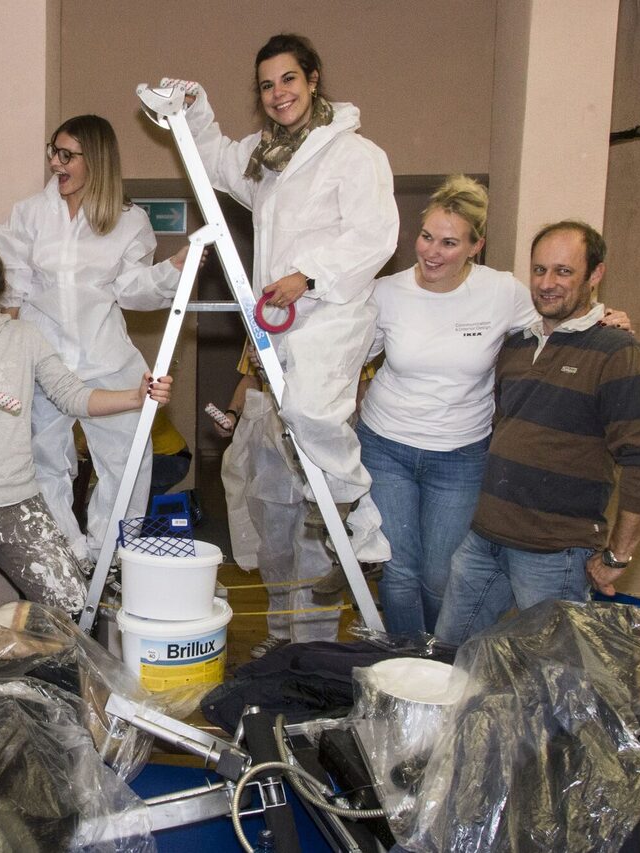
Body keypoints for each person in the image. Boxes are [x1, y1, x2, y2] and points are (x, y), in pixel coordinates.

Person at [359, 177, 631, 637]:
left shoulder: (502, 292)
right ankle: (405, 663)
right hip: (386, 446)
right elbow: (349, 355)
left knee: (440, 575)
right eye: (427, 237)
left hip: (462, 454)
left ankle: (438, 657)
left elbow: (559, 321)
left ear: (475, 246)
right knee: (399, 570)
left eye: (449, 242)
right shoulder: (386, 293)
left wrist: (605, 319)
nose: (432, 252)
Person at [172, 33, 399, 560]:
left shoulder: (356, 154)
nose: (278, 93)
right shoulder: (266, 159)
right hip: (282, 320)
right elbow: (215, 163)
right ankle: (344, 513)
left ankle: (358, 512)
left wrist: (309, 276)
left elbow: (375, 236)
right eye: (267, 85)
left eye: (289, 79)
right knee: (293, 420)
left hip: (332, 310)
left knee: (312, 413)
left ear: (313, 78)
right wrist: (194, 108)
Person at [0, 218, 173, 630]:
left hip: (20, 503)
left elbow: (73, 395)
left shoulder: (25, 337)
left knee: (74, 611)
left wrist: (136, 397)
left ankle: (58, 694)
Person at [434, 221, 640, 645]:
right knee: (451, 659)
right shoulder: (517, 344)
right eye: (539, 270)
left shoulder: (620, 353)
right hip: (485, 538)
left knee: (557, 682)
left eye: (563, 271)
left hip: (555, 554)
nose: (546, 283)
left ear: (595, 275)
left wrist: (618, 555)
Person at [0, 114, 187, 565]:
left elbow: (133, 290)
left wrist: (171, 270)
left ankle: (113, 558)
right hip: (45, 360)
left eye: (67, 156)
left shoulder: (128, 219)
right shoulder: (29, 214)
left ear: (95, 160)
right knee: (43, 462)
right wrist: (4, 361)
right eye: (53, 152)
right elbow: (13, 292)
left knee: (128, 462)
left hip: (106, 359)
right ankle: (67, 553)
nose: (55, 164)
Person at [217, 347, 339, 657]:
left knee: (317, 552)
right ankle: (281, 632)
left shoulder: (342, 315)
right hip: (271, 445)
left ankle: (313, 644)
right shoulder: (263, 317)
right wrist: (231, 414)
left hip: (323, 433)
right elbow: (250, 379)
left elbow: (359, 384)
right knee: (275, 549)